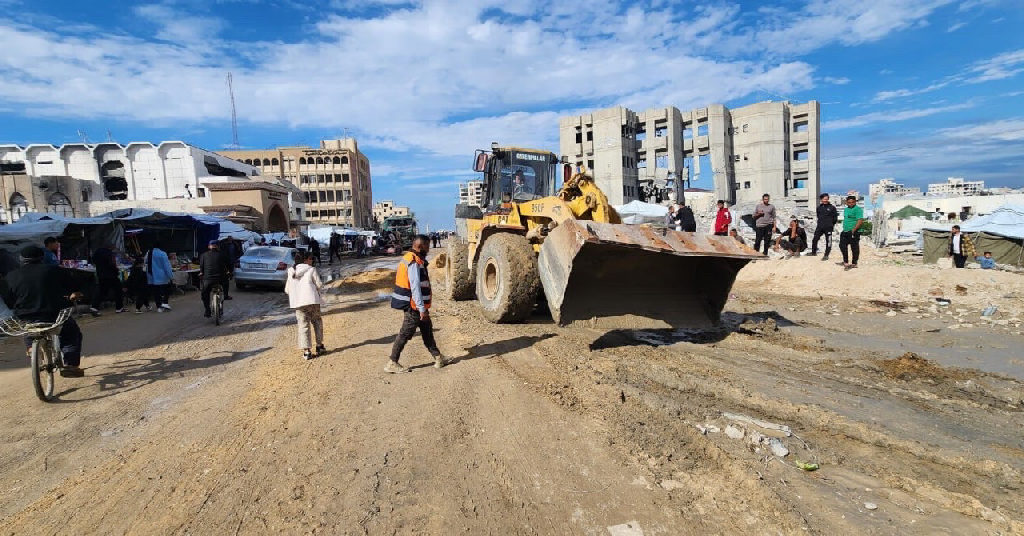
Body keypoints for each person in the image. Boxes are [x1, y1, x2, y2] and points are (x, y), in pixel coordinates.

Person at [1, 246, 86, 377]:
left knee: (29, 327)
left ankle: (31, 348)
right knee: (71, 333)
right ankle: (71, 364)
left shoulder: (11, 276)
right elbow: (72, 286)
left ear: (21, 259)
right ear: (42, 258)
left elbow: (8, 299)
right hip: (53, 313)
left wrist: (19, 306)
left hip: (25, 314)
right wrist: (74, 294)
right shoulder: (54, 270)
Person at [386, 234, 448, 373]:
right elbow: (415, 287)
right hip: (413, 306)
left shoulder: (416, 259)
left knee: (427, 332)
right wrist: (421, 309)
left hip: (418, 306)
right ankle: (392, 362)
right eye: (427, 245)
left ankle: (438, 358)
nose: (429, 248)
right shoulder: (413, 262)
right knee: (405, 334)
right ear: (420, 246)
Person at [285, 250, 326, 360]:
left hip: (299, 303)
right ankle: (319, 346)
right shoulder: (311, 269)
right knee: (317, 321)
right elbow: (319, 285)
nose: (312, 260)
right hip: (312, 301)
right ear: (305, 260)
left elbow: (287, 290)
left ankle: (307, 352)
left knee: (303, 325)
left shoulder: (291, 271)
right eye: (310, 258)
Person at [198, 240, 233, 318]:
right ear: (218, 246)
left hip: (208, 279)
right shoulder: (223, 254)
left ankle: (207, 310)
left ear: (209, 246)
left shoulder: (203, 255)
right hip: (221, 279)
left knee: (205, 294)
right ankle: (226, 295)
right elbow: (230, 265)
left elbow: (201, 268)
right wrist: (230, 273)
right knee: (226, 283)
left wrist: (201, 273)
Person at [89, 243, 124, 314]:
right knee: (118, 290)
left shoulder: (97, 252)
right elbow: (112, 264)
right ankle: (119, 307)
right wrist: (116, 271)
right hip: (111, 276)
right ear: (110, 247)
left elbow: (93, 260)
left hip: (101, 275)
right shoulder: (110, 253)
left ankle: (94, 307)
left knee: (102, 291)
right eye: (113, 247)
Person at [809, 193, 838, 261]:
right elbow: (818, 216)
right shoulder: (819, 208)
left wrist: (831, 224)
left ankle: (826, 255)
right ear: (821, 199)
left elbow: (835, 218)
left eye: (827, 199)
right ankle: (813, 252)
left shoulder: (832, 207)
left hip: (828, 227)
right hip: (820, 227)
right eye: (824, 199)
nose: (826, 200)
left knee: (828, 241)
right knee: (815, 239)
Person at [146, 241, 174, 312]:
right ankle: (165, 302)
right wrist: (171, 276)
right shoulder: (162, 254)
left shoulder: (148, 253)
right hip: (162, 276)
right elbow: (166, 266)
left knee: (156, 292)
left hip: (152, 276)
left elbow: (146, 262)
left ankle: (159, 307)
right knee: (166, 289)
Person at [839, 195, 864, 270]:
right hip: (845, 231)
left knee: (854, 248)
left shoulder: (858, 209)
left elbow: (860, 220)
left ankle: (854, 263)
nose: (851, 204)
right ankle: (845, 262)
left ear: (855, 202)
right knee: (842, 246)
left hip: (854, 231)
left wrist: (853, 230)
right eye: (849, 202)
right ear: (846, 202)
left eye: (852, 202)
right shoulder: (846, 209)